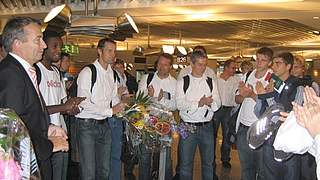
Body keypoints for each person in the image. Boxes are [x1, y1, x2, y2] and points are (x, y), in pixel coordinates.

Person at [0, 17, 68, 180]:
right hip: (25, 167)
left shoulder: (21, 70)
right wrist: (51, 144)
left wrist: (48, 126)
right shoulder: (11, 74)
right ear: (17, 44)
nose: (44, 45)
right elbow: (13, 134)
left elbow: (27, 114)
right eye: (38, 40)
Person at [36, 30, 85, 180]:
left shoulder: (57, 72)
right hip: (44, 134)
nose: (59, 51)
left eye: (60, 47)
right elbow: (35, 109)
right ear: (44, 46)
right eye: (55, 46)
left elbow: (61, 102)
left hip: (61, 133)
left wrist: (70, 109)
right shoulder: (36, 71)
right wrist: (63, 107)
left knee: (61, 175)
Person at [76, 38, 125, 180]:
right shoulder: (88, 72)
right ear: (99, 51)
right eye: (109, 51)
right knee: (89, 172)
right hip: (87, 125)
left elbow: (113, 99)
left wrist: (122, 106)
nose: (113, 54)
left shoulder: (112, 73)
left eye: (114, 51)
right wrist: (110, 111)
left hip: (104, 124)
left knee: (104, 170)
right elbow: (83, 102)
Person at [255, 52, 302, 180]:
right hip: (270, 138)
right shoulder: (273, 83)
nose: (274, 67)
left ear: (288, 66)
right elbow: (259, 112)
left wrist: (267, 96)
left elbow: (289, 115)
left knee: (290, 175)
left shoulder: (298, 86)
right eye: (273, 63)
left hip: (289, 140)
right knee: (270, 175)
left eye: (278, 63)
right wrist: (260, 97)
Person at [176, 51, 221, 180]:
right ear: (191, 64)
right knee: (185, 164)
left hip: (207, 126)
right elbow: (180, 104)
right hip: (186, 126)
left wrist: (211, 102)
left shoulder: (211, 82)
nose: (203, 68)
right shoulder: (182, 82)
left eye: (204, 65)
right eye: (200, 65)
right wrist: (199, 103)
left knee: (208, 163)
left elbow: (218, 103)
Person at [235, 47, 273, 180]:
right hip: (244, 127)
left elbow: (272, 105)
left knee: (262, 170)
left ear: (269, 62)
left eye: (263, 60)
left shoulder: (272, 78)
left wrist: (251, 94)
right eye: (258, 59)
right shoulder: (248, 74)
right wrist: (243, 95)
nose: (259, 63)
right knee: (246, 168)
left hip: (260, 129)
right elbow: (237, 99)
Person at [137, 53, 176, 180]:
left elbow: (175, 105)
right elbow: (139, 100)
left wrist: (159, 100)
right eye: (159, 64)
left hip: (165, 124)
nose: (161, 67)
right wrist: (152, 97)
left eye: (165, 65)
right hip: (147, 123)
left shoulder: (175, 83)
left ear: (170, 67)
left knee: (165, 157)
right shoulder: (147, 78)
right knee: (145, 156)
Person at [113, 58, 139, 180]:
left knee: (130, 145)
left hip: (129, 116)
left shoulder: (131, 80)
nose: (118, 70)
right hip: (115, 117)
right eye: (116, 68)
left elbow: (136, 97)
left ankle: (128, 171)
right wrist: (118, 94)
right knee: (118, 146)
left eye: (120, 67)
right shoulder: (112, 79)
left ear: (124, 68)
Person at [214, 59, 240, 169]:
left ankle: (225, 158)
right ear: (226, 68)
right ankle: (211, 158)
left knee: (227, 135)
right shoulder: (216, 79)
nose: (235, 70)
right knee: (212, 135)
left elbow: (237, 95)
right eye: (233, 68)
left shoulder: (236, 80)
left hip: (229, 110)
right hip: (216, 109)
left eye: (235, 68)